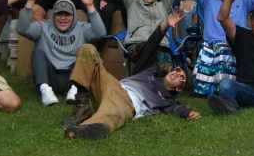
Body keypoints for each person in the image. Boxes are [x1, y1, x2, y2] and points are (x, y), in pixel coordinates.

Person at [64, 9, 201, 140]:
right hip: (112, 85)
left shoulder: (166, 100)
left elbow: (177, 109)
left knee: (112, 115)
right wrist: (165, 25)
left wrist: (189, 113)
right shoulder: (149, 68)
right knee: (87, 49)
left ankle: (86, 129)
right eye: (177, 71)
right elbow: (152, 44)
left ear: (178, 88)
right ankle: (83, 106)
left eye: (181, 78)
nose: (177, 75)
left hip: (126, 102)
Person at [18, 0, 106, 106]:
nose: (63, 18)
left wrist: (90, 6)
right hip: (50, 77)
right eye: (59, 14)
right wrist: (30, 2)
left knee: (88, 51)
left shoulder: (82, 28)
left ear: (74, 16)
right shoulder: (43, 27)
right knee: (37, 53)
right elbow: (22, 29)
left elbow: (101, 33)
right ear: (53, 16)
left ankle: (75, 91)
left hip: (73, 78)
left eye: (67, 14)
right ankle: (45, 92)